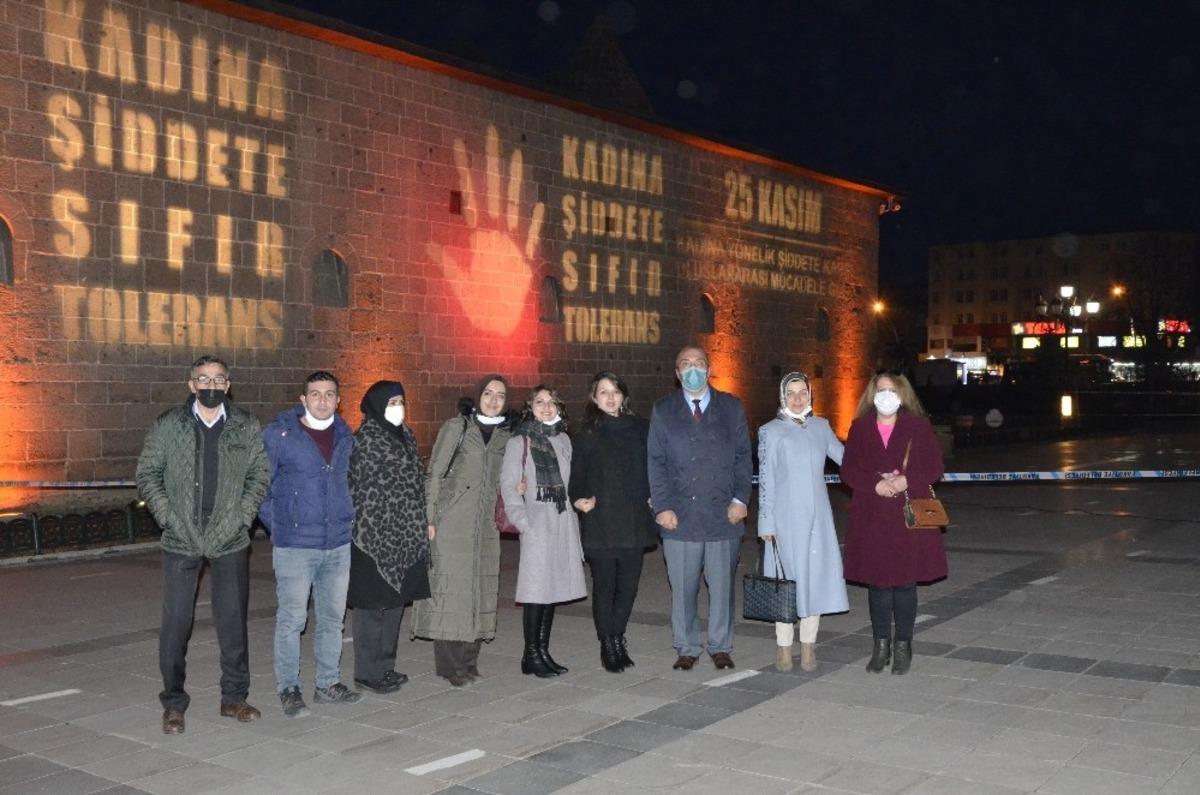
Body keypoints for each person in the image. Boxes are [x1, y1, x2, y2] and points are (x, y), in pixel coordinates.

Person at [136, 355, 269, 735]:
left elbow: (259, 474)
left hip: (230, 537)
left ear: (228, 385)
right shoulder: (169, 424)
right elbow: (147, 474)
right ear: (192, 384)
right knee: (176, 623)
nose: (211, 385)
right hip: (181, 537)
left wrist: (242, 517)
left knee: (233, 621)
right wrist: (169, 517)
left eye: (218, 379)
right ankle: (173, 703)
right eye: (204, 379)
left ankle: (234, 698)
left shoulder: (245, 425)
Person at [260, 372, 362, 717]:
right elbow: (259, 485)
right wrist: (280, 526)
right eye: (315, 394)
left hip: (337, 544)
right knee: (292, 619)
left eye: (329, 394)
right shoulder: (280, 435)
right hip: (295, 546)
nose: (322, 400)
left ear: (338, 401)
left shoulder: (346, 437)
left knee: (333, 619)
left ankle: (327, 683)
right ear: (303, 399)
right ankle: (289, 688)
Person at [648, 346, 753, 671]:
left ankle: (721, 646)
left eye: (698, 363)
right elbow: (656, 461)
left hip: (723, 514)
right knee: (683, 587)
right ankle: (687, 646)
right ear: (677, 373)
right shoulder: (663, 410)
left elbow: (743, 457)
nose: (692, 369)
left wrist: (741, 499)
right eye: (685, 364)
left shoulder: (731, 407)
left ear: (708, 370)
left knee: (722, 587)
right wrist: (662, 506)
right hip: (679, 516)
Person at [840, 370, 946, 675]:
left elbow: (934, 466)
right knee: (878, 585)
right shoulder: (860, 427)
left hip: (906, 517)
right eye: (880, 390)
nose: (886, 396)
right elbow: (848, 470)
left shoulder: (918, 426)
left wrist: (905, 481)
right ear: (872, 395)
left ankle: (903, 646)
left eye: (892, 390)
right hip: (872, 516)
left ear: (902, 395)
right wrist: (874, 483)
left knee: (904, 584)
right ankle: (881, 645)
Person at [412, 375, 512, 686]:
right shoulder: (458, 427)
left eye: (500, 395)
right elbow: (434, 474)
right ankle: (449, 666)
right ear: (478, 396)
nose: (493, 400)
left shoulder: (505, 436)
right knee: (450, 593)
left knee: (481, 591)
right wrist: (429, 518)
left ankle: (469, 662)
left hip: (485, 526)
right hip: (452, 523)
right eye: (488, 393)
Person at [757, 372, 848, 672]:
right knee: (786, 581)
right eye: (791, 393)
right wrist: (766, 522)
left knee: (814, 578)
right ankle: (784, 646)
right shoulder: (770, 431)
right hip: (786, 518)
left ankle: (808, 644)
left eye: (803, 392)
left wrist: (877, 465)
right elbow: (767, 480)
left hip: (818, 517)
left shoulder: (821, 426)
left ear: (810, 395)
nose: (797, 399)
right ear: (783, 397)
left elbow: (845, 458)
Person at [568, 371, 657, 673]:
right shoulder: (587, 433)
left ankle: (618, 636)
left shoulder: (641, 428)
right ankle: (608, 643)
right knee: (605, 587)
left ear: (623, 396)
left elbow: (654, 467)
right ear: (594, 398)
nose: (610, 397)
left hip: (633, 518)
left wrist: (655, 494)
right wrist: (578, 499)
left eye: (615, 391)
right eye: (603, 392)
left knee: (629, 587)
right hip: (602, 520)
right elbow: (576, 476)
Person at [347, 380, 431, 693]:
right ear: (377, 404)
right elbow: (362, 488)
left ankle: (386, 666)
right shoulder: (366, 439)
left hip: (403, 535)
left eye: (401, 401)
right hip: (372, 536)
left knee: (395, 603)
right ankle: (367, 672)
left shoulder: (406, 435)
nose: (398, 407)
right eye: (391, 402)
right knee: (371, 607)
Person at [500, 386, 587, 677]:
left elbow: (573, 480)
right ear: (530, 407)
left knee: (552, 589)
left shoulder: (563, 439)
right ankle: (531, 654)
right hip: (537, 521)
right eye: (540, 402)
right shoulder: (520, 441)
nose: (546, 407)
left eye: (552, 402)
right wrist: (524, 524)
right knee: (536, 590)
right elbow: (509, 487)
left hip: (562, 521)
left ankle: (542, 651)